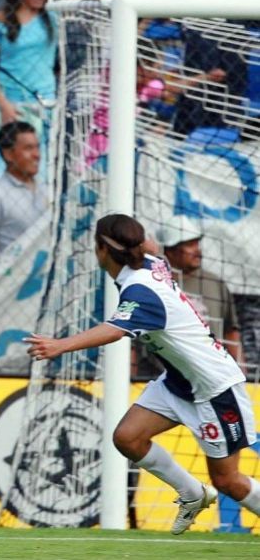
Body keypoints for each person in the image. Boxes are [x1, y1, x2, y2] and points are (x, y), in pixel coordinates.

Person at [25, 214, 260, 535]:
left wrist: (59, 345)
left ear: (101, 250)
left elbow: (114, 330)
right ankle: (193, 493)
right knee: (128, 437)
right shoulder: (152, 263)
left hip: (215, 389)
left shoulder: (142, 290)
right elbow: (148, 244)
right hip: (180, 382)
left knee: (228, 481)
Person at [0, 0, 57, 178]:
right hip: (8, 102)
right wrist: (2, 103)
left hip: (43, 103)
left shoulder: (55, 15)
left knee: (40, 173)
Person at [156, 216, 241, 364]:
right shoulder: (156, 284)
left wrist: (242, 374)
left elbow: (231, 332)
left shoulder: (215, 283)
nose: (197, 250)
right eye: (189, 245)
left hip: (213, 372)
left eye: (197, 243)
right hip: (165, 375)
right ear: (170, 251)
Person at [0, 121, 48, 265]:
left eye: (37, 147)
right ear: (8, 154)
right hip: (13, 279)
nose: (37, 155)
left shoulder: (46, 189)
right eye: (28, 148)